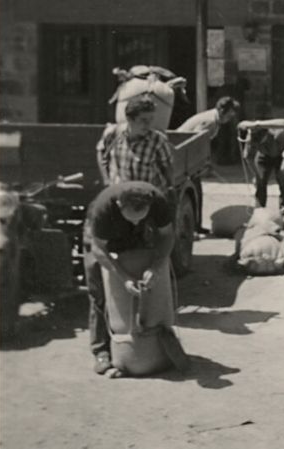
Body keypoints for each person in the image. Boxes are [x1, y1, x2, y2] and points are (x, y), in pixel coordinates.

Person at [84, 181, 176, 377]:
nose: (135, 221)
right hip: (100, 240)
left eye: (140, 218)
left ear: (149, 207)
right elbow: (98, 248)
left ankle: (155, 343)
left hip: (136, 238)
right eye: (132, 218)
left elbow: (167, 236)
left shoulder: (158, 201)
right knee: (99, 293)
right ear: (119, 206)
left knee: (147, 286)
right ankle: (101, 351)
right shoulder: (104, 208)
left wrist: (155, 267)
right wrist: (123, 277)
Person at [96, 97, 174, 193]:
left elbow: (167, 168)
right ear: (129, 119)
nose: (148, 124)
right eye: (143, 120)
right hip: (119, 193)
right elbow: (101, 152)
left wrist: (170, 189)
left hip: (146, 196)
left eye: (151, 119)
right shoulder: (113, 134)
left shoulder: (157, 141)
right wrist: (106, 180)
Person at [236, 118, 284, 210]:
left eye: (261, 143)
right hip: (263, 156)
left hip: (280, 156)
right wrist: (255, 175)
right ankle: (259, 211)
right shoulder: (252, 138)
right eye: (256, 144)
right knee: (260, 183)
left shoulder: (280, 135)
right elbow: (248, 157)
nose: (258, 145)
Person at [174, 96, 241, 140]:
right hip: (177, 144)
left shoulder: (213, 117)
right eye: (229, 116)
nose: (229, 120)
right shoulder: (211, 121)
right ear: (222, 111)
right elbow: (195, 141)